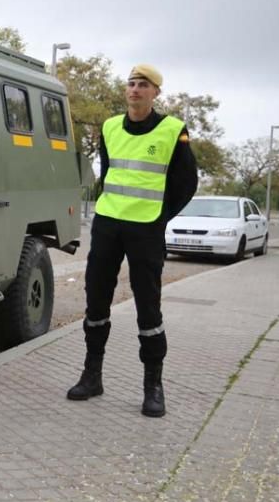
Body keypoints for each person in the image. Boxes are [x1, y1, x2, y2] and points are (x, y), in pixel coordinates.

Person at [67, 64, 197, 417]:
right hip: (108, 225)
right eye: (131, 84)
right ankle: (92, 375)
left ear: (155, 93)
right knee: (96, 299)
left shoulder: (173, 131)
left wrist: (159, 215)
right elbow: (109, 173)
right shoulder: (109, 127)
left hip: (146, 229)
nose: (135, 90)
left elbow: (186, 183)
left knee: (148, 307)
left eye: (143, 85)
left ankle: (153, 387)